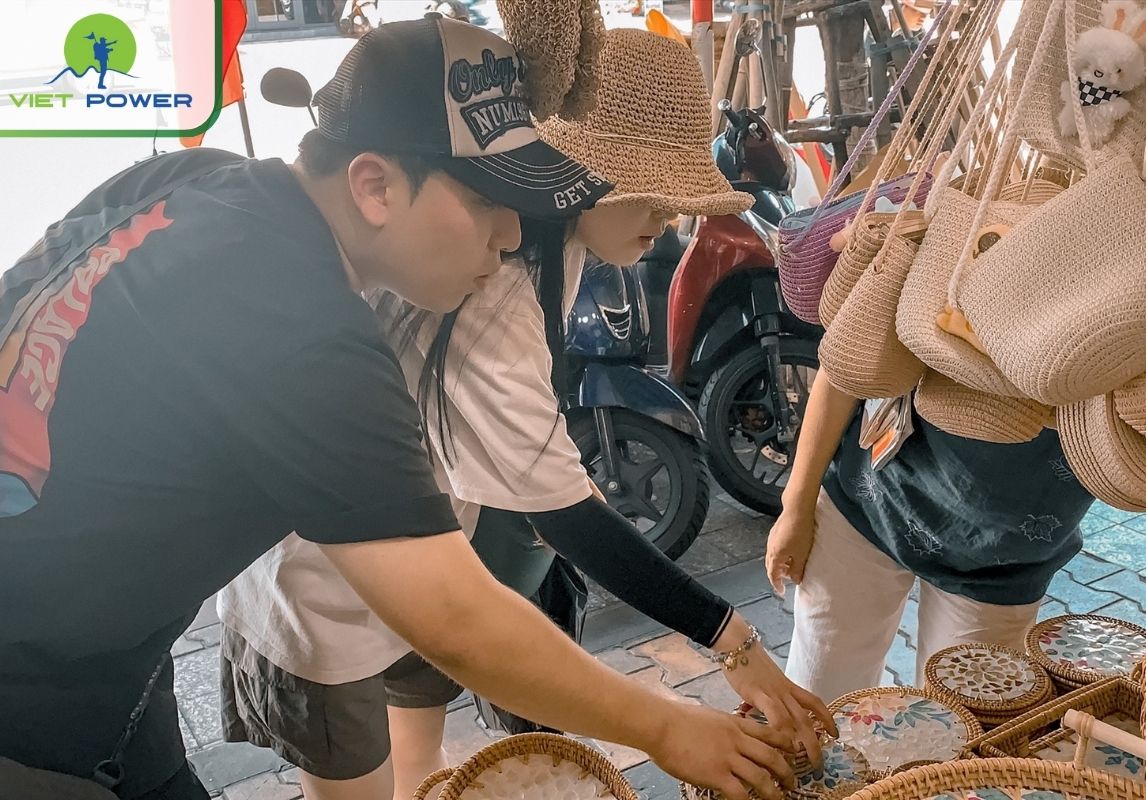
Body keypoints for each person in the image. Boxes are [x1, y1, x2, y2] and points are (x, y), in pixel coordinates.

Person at [0, 17, 802, 800]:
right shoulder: (302, 326)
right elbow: (455, 618)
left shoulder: (194, 180)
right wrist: (668, 727)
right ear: (375, 185)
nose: (509, 236)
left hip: (116, 665)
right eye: (486, 201)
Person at [219, 27, 834, 800]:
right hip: (326, 592)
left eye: (679, 198)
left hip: (429, 536)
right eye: (648, 193)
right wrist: (712, 667)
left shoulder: (544, 247)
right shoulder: (488, 286)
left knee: (420, 754)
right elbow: (548, 531)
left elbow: (541, 479)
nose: (669, 221)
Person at [765, 368, 1095, 703]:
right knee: (817, 703)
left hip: (1005, 558)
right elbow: (847, 363)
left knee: (966, 723)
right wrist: (796, 505)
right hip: (871, 499)